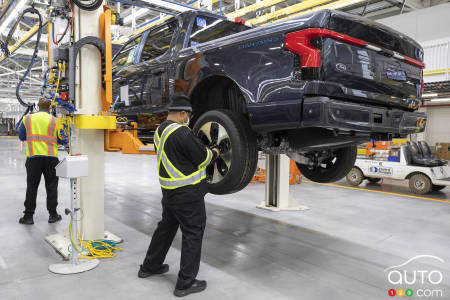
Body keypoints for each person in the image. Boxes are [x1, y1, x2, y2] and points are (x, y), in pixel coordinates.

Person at [139, 95, 220, 297]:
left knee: (166, 228)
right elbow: (203, 159)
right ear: (182, 113)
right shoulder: (182, 133)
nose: (188, 119)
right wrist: (215, 153)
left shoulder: (160, 130)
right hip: (188, 194)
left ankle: (150, 266)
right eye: (187, 116)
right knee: (193, 233)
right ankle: (186, 283)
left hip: (169, 193)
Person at [18, 98, 67, 225]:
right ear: (50, 108)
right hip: (51, 158)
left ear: (38, 107)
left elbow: (22, 137)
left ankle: (28, 216)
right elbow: (62, 140)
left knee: (32, 187)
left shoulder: (28, 119)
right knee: (51, 187)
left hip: (33, 158)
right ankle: (53, 215)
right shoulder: (55, 121)